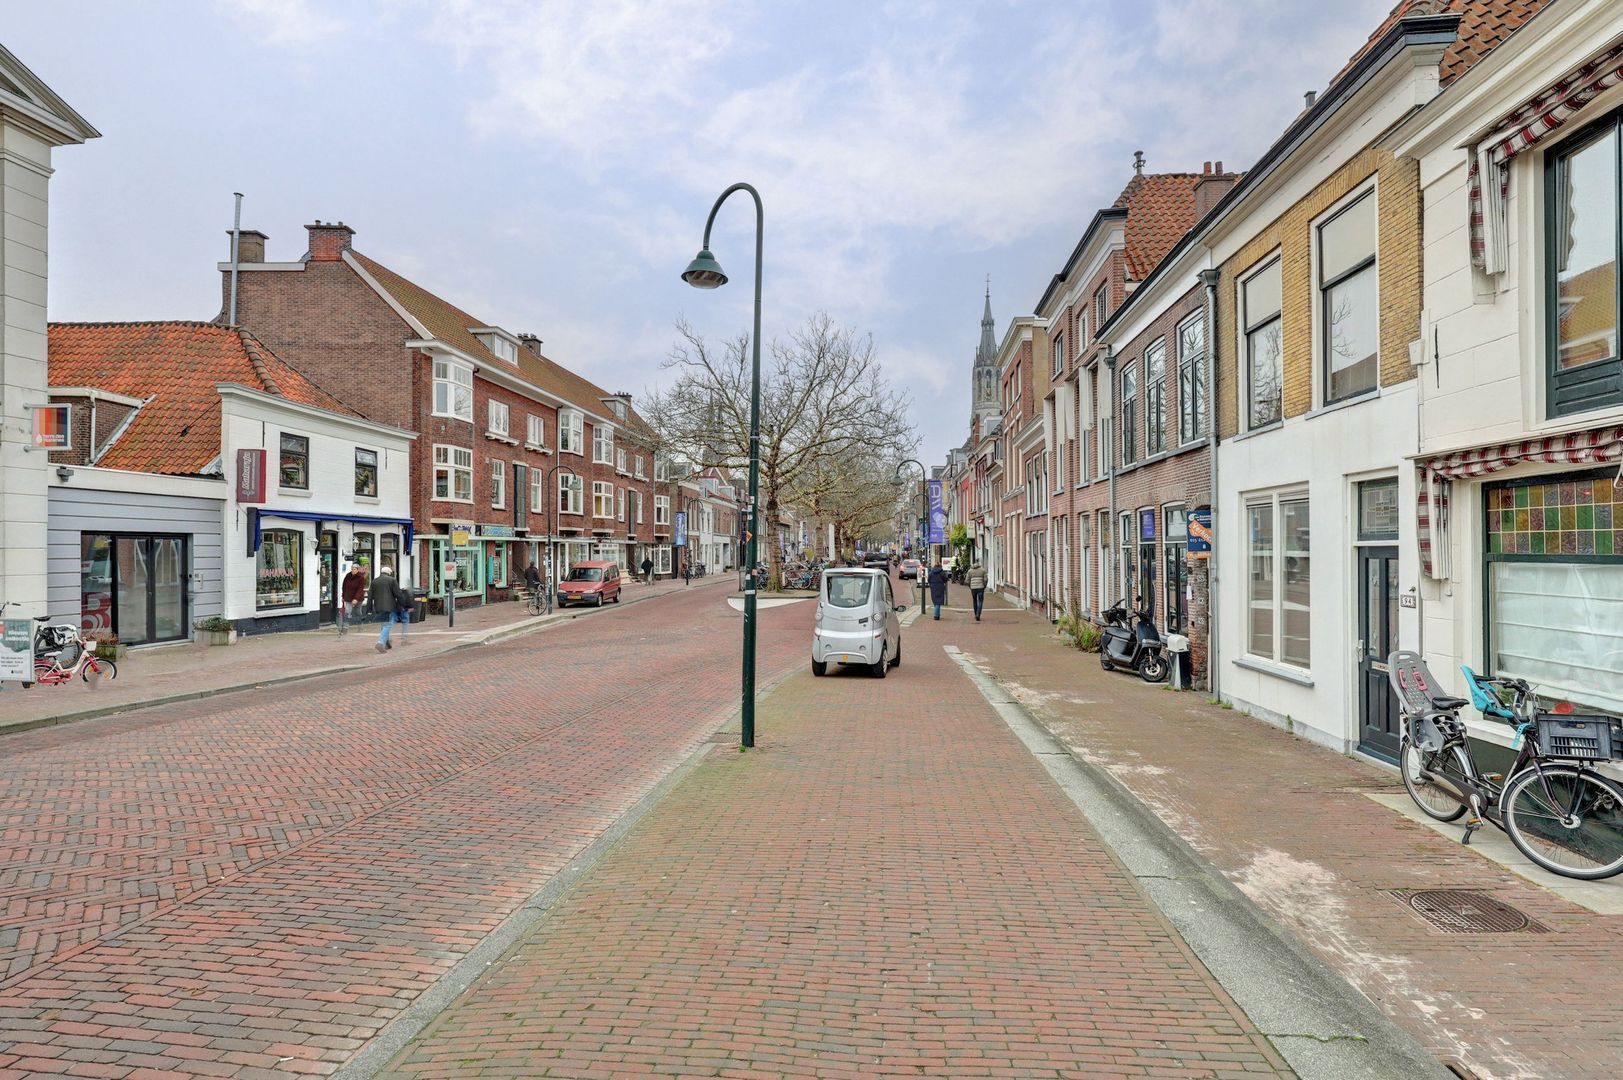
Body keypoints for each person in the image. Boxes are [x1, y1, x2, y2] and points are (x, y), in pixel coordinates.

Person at [370, 562, 411, 652]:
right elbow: (398, 594)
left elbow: (370, 596)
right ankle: (380, 642)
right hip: (389, 607)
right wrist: (404, 605)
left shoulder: (374, 581)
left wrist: (369, 609)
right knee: (387, 624)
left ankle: (387, 642)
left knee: (383, 624)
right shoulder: (392, 580)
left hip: (378, 607)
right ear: (389, 573)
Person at [339, 559, 368, 635]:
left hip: (358, 598)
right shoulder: (348, 576)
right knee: (347, 612)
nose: (353, 570)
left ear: (358, 570)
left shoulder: (361, 577)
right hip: (348, 597)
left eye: (354, 569)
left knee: (358, 612)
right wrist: (343, 596)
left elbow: (360, 589)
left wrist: (356, 599)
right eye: (352, 569)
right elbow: (344, 586)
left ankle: (360, 626)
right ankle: (345, 629)